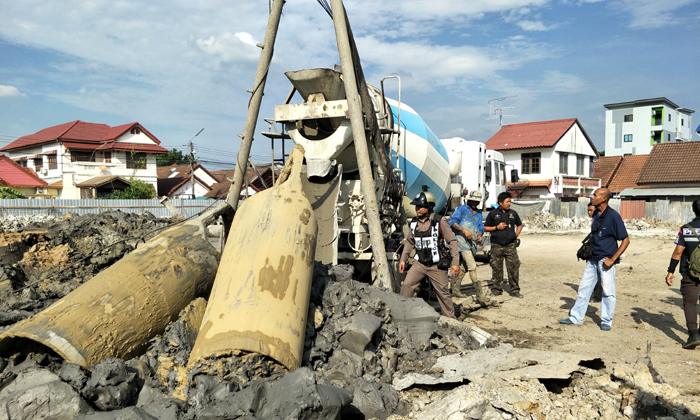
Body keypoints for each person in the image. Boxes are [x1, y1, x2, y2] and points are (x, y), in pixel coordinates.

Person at [560, 188, 629, 330]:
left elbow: (626, 240)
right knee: (584, 289)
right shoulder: (597, 214)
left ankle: (606, 321)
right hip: (592, 259)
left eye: (595, 195)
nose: (592, 197)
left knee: (608, 291)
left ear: (604, 198)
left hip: (606, 260)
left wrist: (612, 259)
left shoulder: (613, 216)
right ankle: (576, 317)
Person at [399, 190, 460, 319]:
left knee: (443, 294)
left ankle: (451, 322)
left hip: (437, 266)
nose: (417, 209)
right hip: (419, 264)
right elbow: (410, 242)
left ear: (429, 207)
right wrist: (403, 259)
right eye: (416, 206)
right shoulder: (414, 223)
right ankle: (402, 315)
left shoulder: (440, 221)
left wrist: (456, 263)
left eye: (420, 206)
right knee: (407, 286)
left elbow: (452, 241)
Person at [665, 199, 700, 349]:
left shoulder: (686, 229)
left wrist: (670, 271)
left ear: (693, 210)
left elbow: (678, 252)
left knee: (690, 303)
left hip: (690, 273)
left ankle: (693, 335)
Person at [448, 190, 490, 303]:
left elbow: (481, 227)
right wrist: (464, 230)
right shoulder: (462, 209)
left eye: (477, 202)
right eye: (473, 201)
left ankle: (454, 288)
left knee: (465, 267)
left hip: (472, 242)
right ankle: (479, 294)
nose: (475, 203)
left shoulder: (479, 213)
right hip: (461, 241)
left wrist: (480, 235)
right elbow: (452, 222)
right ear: (469, 200)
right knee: (472, 265)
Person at [483, 192, 523, 298]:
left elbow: (519, 225)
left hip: (510, 245)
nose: (509, 203)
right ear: (500, 203)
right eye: (507, 201)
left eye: (510, 201)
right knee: (497, 268)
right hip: (497, 245)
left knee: (514, 267)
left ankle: (515, 290)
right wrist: (497, 228)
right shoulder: (493, 214)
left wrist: (515, 235)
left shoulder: (513, 213)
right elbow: (485, 228)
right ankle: (497, 289)